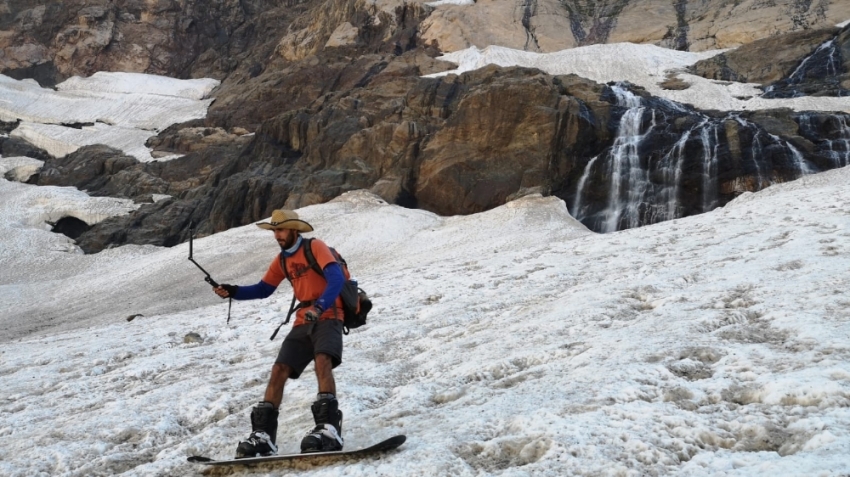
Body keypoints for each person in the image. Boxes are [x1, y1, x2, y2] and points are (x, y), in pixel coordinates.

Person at [213, 209, 347, 458]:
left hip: (329, 314)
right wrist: (232, 291)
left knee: (322, 361)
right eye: (274, 230)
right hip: (302, 319)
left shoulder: (315, 246)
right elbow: (264, 289)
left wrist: (319, 307)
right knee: (279, 369)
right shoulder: (282, 260)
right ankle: (263, 436)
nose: (277, 235)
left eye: (281, 229)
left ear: (294, 230)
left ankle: (329, 429)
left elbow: (336, 278)